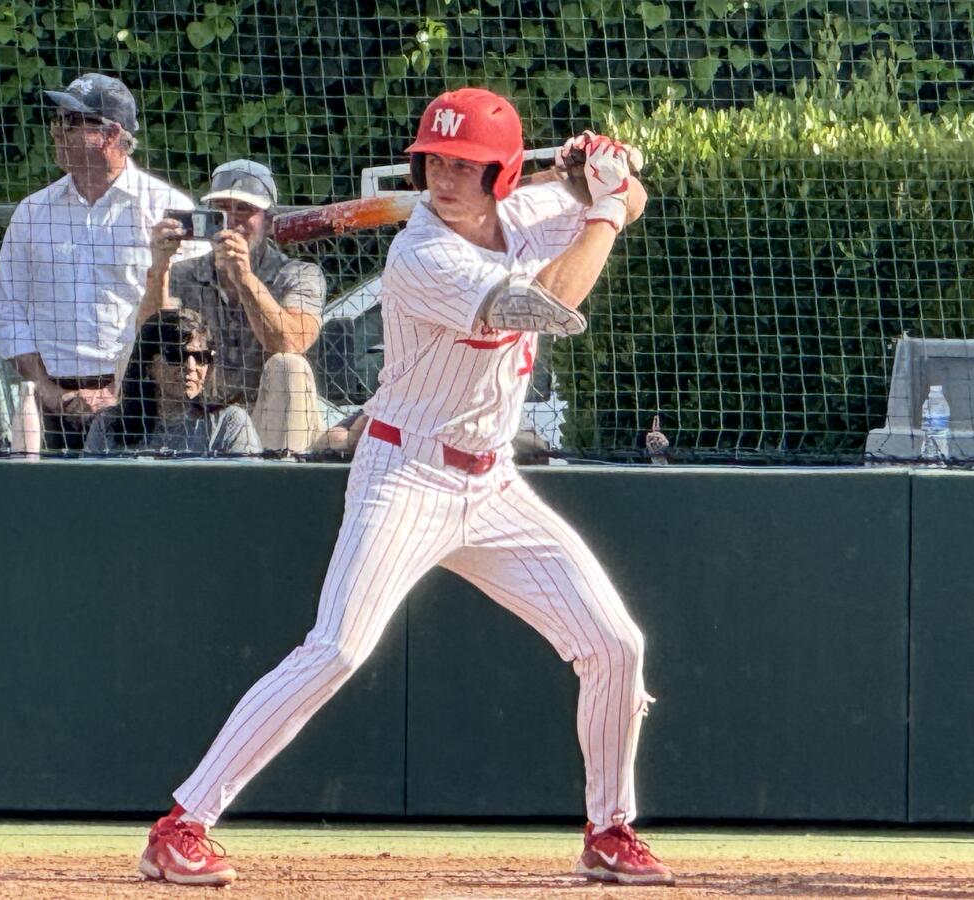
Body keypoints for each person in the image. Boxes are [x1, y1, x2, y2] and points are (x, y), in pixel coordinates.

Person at [138, 88, 673, 887]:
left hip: (493, 485)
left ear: (499, 173)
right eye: (434, 162)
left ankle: (609, 828)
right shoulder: (419, 254)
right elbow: (551, 302)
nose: (443, 180)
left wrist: (596, 171)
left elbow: (630, 196)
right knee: (337, 647)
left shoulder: (525, 214)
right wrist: (601, 210)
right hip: (407, 471)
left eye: (464, 166)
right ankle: (183, 824)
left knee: (615, 645)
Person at [0, 73, 194, 451]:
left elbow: (187, 320)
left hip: (144, 407)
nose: (56, 131)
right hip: (48, 412)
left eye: (71, 122)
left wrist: (121, 391)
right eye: (57, 119)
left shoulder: (167, 209)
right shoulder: (32, 212)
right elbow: (9, 314)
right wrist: (50, 392)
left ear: (112, 135)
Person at [146, 159, 326, 453]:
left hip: (271, 417)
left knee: (288, 365)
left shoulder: (299, 274)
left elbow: (291, 341)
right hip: (202, 416)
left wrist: (243, 278)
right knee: (128, 354)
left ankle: (281, 482)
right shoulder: (183, 275)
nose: (232, 220)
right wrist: (160, 266)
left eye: (244, 209)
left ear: (269, 221)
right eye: (222, 209)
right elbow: (147, 339)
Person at [84, 308, 261, 455]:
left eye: (201, 357)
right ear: (148, 365)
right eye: (176, 355)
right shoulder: (108, 425)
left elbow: (244, 490)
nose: (191, 366)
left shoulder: (229, 422)